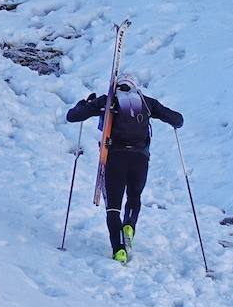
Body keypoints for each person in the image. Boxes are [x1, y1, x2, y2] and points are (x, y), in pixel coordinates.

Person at [65, 75, 184, 263]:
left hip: (114, 158)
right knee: (134, 197)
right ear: (135, 87)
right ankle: (129, 225)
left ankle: (119, 250)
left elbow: (72, 117)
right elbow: (178, 119)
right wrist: (174, 122)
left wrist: (83, 104)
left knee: (113, 208)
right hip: (140, 158)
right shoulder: (147, 102)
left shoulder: (107, 101)